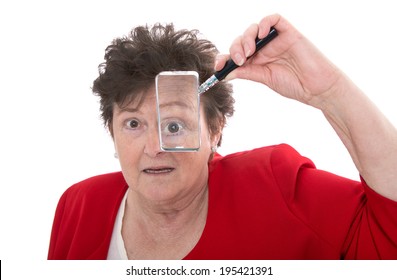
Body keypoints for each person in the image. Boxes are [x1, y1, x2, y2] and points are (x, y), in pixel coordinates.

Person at [47, 14, 397, 260]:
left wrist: (329, 90)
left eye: (173, 125)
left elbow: (389, 234)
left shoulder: (276, 188)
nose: (154, 149)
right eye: (133, 124)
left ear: (215, 131)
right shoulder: (78, 206)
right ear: (111, 132)